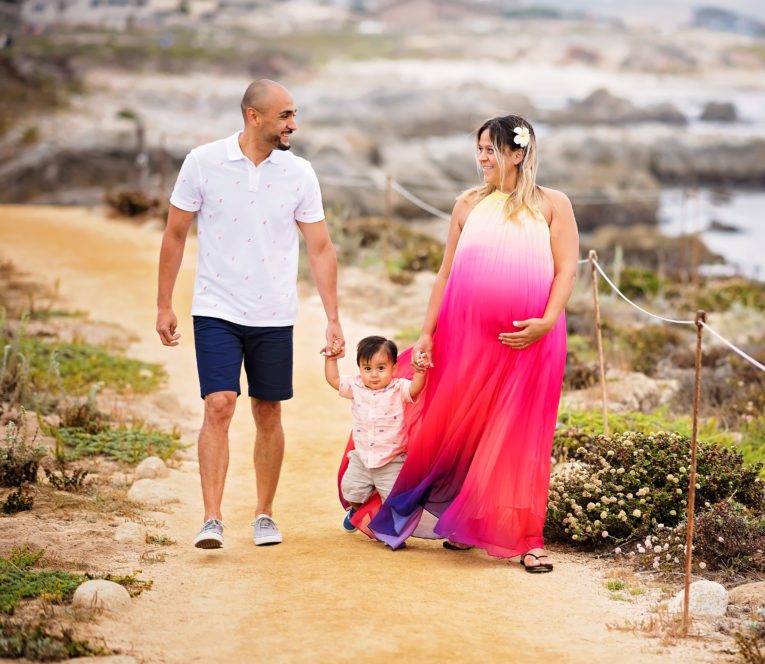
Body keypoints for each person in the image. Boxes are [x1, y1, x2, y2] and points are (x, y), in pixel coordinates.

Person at [368, 115, 579, 573]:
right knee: (457, 426)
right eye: (479, 149)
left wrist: (545, 322)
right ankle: (457, 520)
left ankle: (527, 538)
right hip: (465, 337)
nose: (482, 158)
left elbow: (566, 269)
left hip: (533, 343)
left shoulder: (552, 204)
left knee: (521, 434)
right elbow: (445, 273)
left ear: (518, 154)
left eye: (491, 149)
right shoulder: (466, 204)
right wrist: (427, 332)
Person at [156, 79, 345, 550]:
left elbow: (320, 248)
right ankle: (212, 519)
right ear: (253, 115)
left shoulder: (299, 173)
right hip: (216, 308)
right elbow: (175, 234)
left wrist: (333, 317)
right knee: (219, 404)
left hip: (275, 313)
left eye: (294, 115)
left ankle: (264, 514)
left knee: (267, 410)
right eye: (285, 115)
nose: (293, 125)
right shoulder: (203, 162)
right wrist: (164, 303)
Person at [323, 336, 425, 534]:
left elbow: (415, 389)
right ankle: (356, 511)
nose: (374, 375)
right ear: (360, 369)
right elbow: (334, 380)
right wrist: (331, 359)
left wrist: (420, 372)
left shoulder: (398, 387)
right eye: (367, 368)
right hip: (361, 457)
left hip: (391, 460)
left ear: (394, 369)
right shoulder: (356, 385)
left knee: (393, 501)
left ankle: (393, 530)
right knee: (350, 490)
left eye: (381, 368)